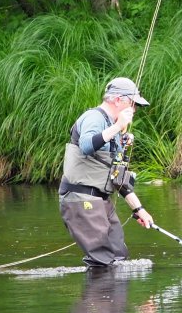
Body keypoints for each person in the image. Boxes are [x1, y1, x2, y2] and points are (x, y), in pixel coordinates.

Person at [60, 76, 155, 269]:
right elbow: (86, 146)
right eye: (133, 103)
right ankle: (99, 298)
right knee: (104, 262)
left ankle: (115, 299)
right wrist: (117, 127)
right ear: (119, 100)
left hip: (101, 201)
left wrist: (139, 209)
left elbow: (117, 178)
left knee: (118, 257)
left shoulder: (114, 130)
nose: (134, 109)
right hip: (81, 199)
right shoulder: (93, 118)